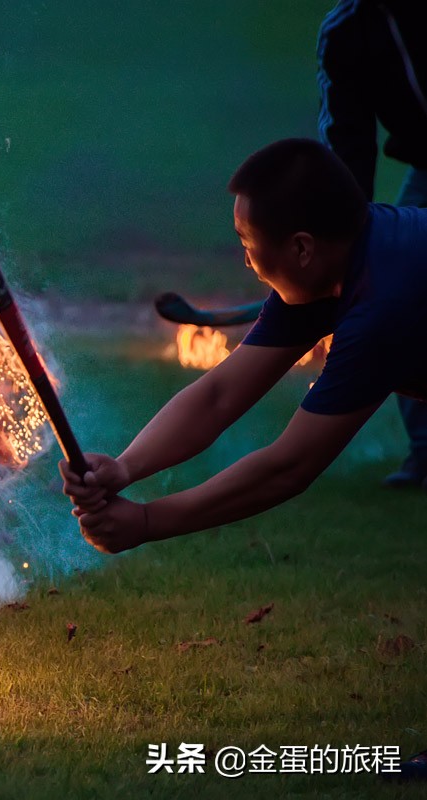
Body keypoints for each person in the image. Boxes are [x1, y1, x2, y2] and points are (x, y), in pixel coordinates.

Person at [60, 138, 427, 555]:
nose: (247, 261)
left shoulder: (381, 305)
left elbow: (289, 467)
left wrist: (147, 521)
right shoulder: (335, 263)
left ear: (301, 247)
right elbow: (219, 396)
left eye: (247, 242)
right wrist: (125, 466)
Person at [318, 0, 427, 488]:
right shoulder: (347, 31)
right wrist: (346, 247)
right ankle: (426, 452)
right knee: (397, 288)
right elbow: (348, 143)